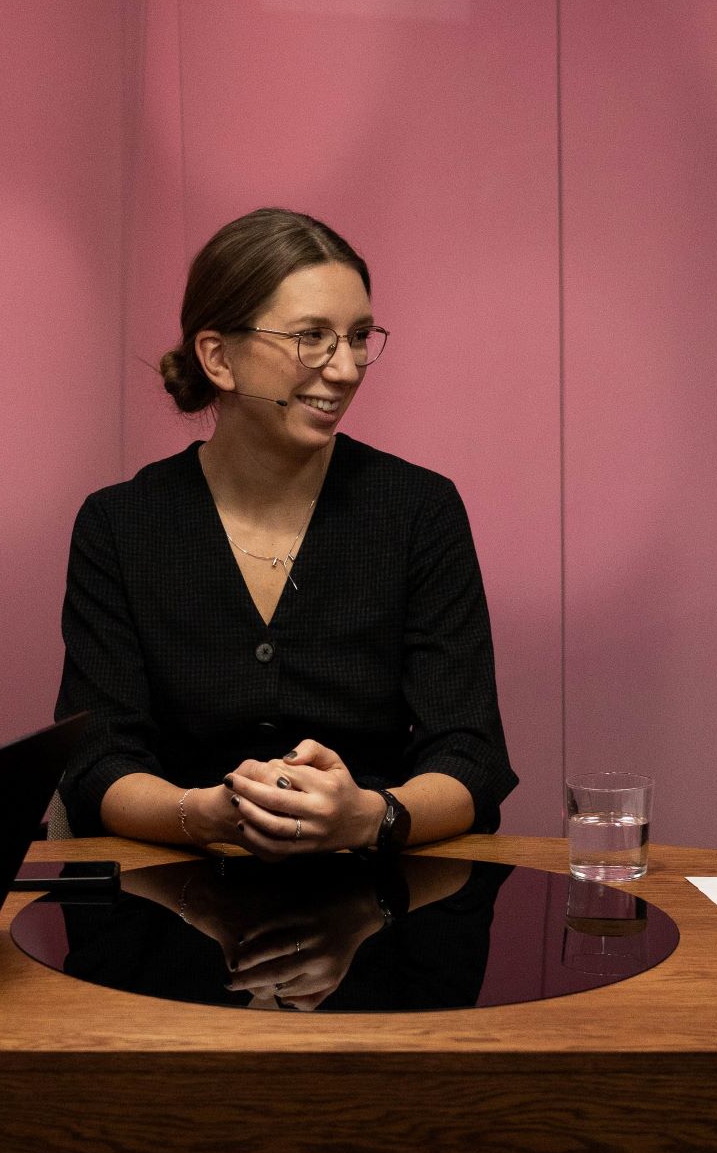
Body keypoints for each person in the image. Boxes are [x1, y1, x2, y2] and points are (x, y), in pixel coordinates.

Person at [55, 207, 516, 856]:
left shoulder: (418, 510)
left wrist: (369, 816)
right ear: (219, 357)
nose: (346, 368)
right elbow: (96, 759)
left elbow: (470, 755)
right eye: (311, 337)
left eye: (358, 336)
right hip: (168, 911)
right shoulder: (120, 524)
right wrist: (201, 814)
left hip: (383, 916)